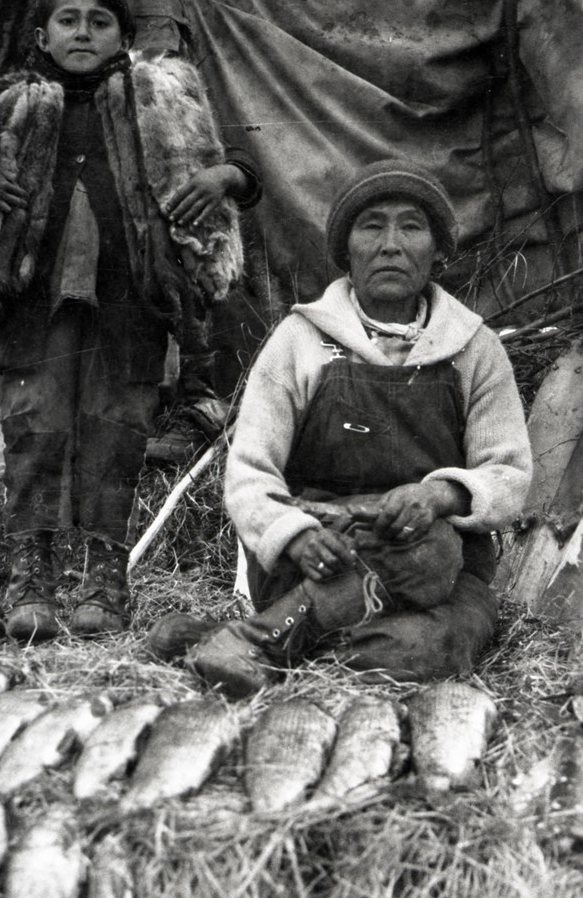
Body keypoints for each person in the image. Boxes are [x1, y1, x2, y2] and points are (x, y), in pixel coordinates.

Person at [0, 0, 261, 642]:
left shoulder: (159, 101)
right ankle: (30, 581)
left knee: (115, 432)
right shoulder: (9, 102)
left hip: (129, 300)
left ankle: (105, 584)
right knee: (34, 429)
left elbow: (239, 166)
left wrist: (222, 176)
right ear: (41, 36)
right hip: (29, 299)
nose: (82, 32)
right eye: (67, 20)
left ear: (124, 37)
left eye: (99, 22)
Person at [153, 160, 532, 696]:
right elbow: (248, 473)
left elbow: (509, 472)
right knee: (423, 571)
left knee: (421, 622)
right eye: (372, 225)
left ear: (438, 250)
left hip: (442, 581)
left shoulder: (474, 347)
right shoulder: (299, 340)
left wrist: (441, 496)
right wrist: (297, 536)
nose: (391, 244)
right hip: (314, 561)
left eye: (412, 227)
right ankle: (274, 634)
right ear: (346, 250)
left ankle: (247, 639)